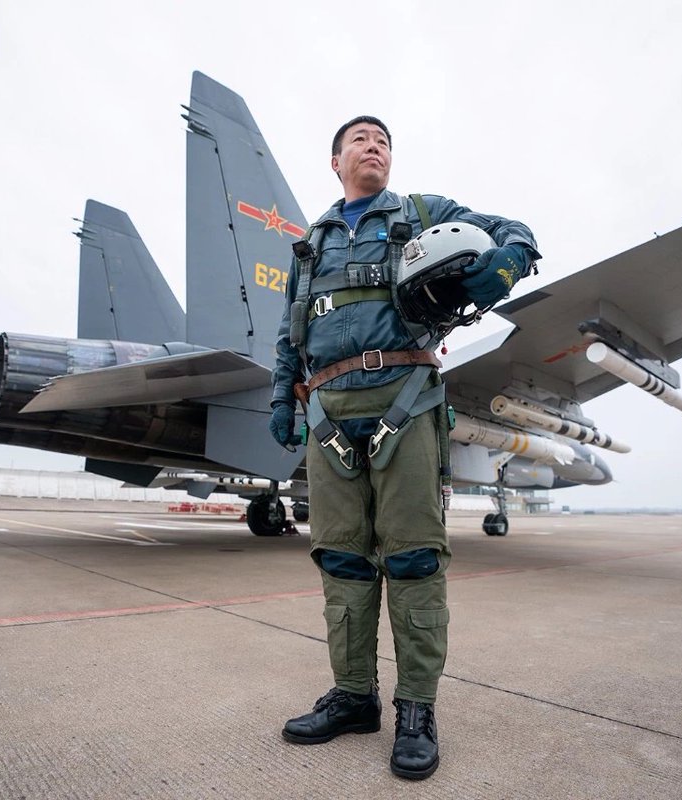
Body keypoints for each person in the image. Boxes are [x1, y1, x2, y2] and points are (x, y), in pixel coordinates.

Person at [269, 116, 539, 780]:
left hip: (405, 401)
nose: (374, 147)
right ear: (336, 161)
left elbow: (519, 235)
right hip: (329, 413)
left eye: (383, 140)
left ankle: (416, 708)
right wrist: (283, 397)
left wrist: (504, 263)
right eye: (360, 139)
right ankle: (354, 697)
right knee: (342, 561)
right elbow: (289, 332)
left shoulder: (422, 214)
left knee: (415, 559)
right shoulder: (309, 246)